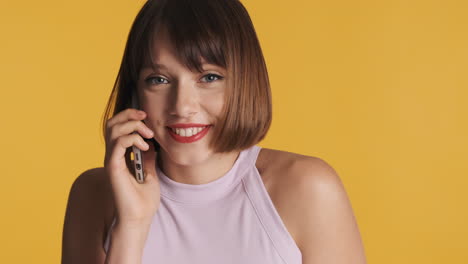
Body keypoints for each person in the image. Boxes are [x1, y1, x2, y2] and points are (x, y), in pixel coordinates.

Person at [62, 0, 367, 263]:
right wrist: (131, 225)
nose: (182, 106)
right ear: (135, 94)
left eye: (209, 77)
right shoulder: (95, 195)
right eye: (158, 80)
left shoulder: (308, 189)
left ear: (244, 82)